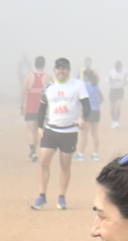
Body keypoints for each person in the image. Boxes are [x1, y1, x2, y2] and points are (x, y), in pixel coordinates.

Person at [30, 58, 89, 211]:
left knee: (65, 165)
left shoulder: (77, 85)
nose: (61, 71)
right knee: (43, 161)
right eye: (59, 68)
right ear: (54, 70)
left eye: (64, 68)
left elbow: (86, 105)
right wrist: (39, 126)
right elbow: (42, 108)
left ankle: (62, 197)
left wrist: (83, 118)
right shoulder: (49, 87)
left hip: (69, 131)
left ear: (68, 70)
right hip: (51, 130)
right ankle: (41, 196)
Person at [20, 56, 49, 161]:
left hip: (31, 107)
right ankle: (36, 151)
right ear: (44, 65)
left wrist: (22, 105)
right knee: (38, 130)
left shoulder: (29, 77)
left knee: (30, 129)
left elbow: (23, 92)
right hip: (42, 108)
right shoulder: (48, 77)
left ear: (35, 64)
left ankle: (32, 151)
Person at [77, 68, 102, 162]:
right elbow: (101, 99)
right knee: (94, 133)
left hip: (88, 111)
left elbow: (81, 99)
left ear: (86, 76)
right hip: (97, 111)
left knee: (84, 134)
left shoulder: (85, 86)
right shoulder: (96, 85)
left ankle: (81, 154)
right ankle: (96, 154)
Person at [107, 59, 128, 128]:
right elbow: (107, 80)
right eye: (117, 67)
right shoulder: (111, 72)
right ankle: (113, 121)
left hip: (120, 90)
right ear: (115, 67)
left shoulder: (124, 72)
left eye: (119, 67)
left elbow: (126, 81)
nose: (118, 69)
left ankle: (116, 121)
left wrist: (125, 82)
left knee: (118, 106)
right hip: (113, 90)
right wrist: (113, 80)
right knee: (112, 107)